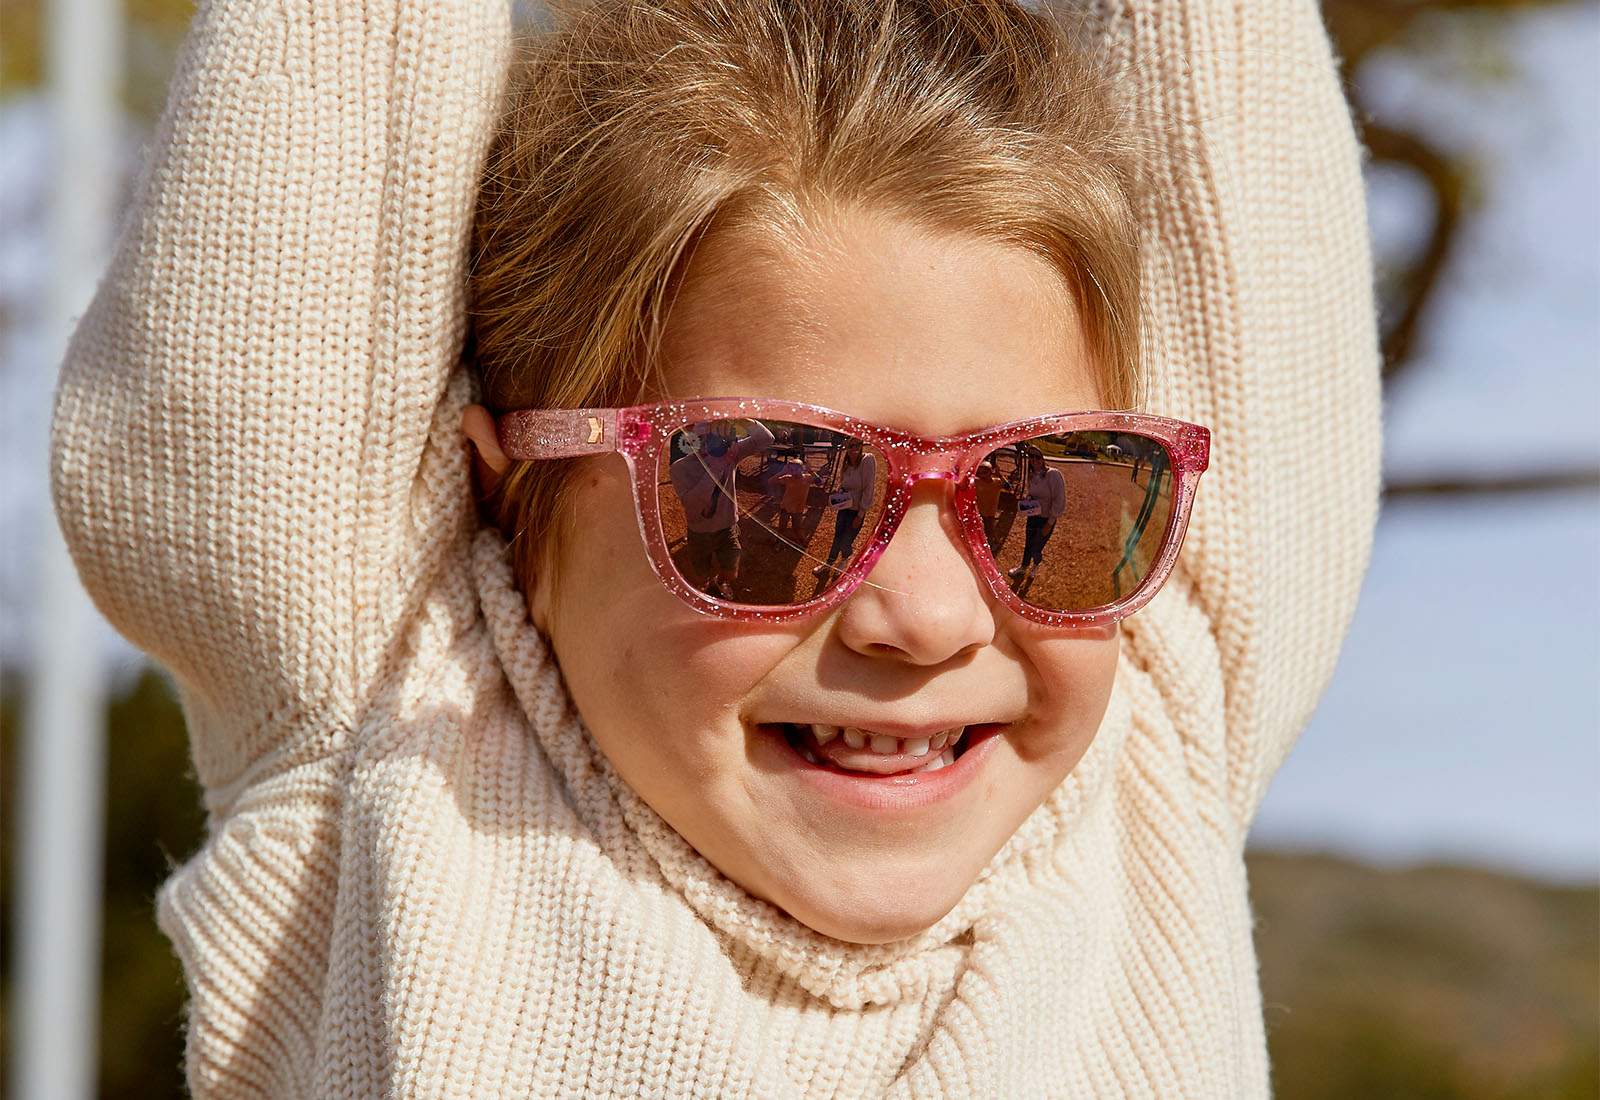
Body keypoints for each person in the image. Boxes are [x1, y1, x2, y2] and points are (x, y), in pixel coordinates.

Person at [50, 1, 1380, 1096]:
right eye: (771, 495)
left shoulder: (1157, 746)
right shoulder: (390, 721)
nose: (928, 617)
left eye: (1052, 496)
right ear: (511, 494)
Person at [668, 418, 775, 597]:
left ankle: (720, 581)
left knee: (731, 573)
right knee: (700, 576)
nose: (717, 445)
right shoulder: (680, 468)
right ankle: (705, 583)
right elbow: (692, 503)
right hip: (699, 531)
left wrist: (740, 420)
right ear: (697, 440)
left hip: (727, 528)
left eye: (721, 439)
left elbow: (766, 439)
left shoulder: (731, 453)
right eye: (710, 439)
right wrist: (717, 467)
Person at [813, 438, 877, 581]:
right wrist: (839, 491)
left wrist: (861, 514)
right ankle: (829, 563)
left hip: (856, 509)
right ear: (847, 447)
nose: (854, 448)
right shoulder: (846, 463)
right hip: (845, 505)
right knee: (838, 536)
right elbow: (842, 483)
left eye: (858, 444)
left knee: (847, 539)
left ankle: (844, 560)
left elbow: (869, 487)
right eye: (851, 445)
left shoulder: (867, 460)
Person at [1008, 447, 1068, 583]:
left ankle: (1035, 564)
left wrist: (1050, 522)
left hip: (1045, 519)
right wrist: (1026, 500)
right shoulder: (1031, 475)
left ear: (1043, 458)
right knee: (1028, 543)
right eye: (1031, 456)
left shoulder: (1053, 474)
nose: (1034, 460)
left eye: (1037, 457)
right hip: (1033, 515)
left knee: (1037, 547)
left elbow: (1059, 499)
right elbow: (1031, 493)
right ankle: (1023, 567)